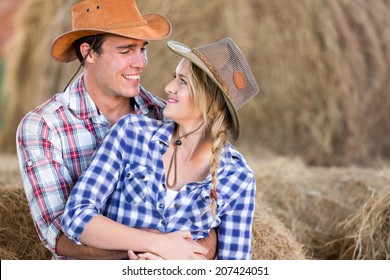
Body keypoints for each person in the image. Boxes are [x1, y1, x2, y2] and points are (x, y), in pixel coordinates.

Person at [16, 0, 215, 260]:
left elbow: (214, 213)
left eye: (142, 49)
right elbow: (58, 235)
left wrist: (189, 256)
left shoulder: (166, 116)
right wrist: (152, 246)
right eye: (125, 50)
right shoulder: (43, 126)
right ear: (88, 53)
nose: (140, 63)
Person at [61, 37, 259, 260]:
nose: (168, 88)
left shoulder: (238, 178)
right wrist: (158, 244)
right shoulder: (132, 132)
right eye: (174, 78)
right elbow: (76, 217)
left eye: (182, 82)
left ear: (209, 100)